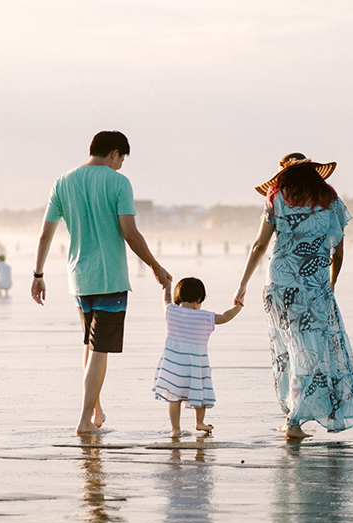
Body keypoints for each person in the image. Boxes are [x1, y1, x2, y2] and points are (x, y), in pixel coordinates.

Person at [31, 130, 171, 434]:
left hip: (78, 279)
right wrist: (155, 266)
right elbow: (130, 233)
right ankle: (84, 421)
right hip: (110, 278)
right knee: (99, 350)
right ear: (115, 153)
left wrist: (38, 274)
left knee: (90, 344)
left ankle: (95, 411)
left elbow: (45, 234)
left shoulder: (62, 182)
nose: (120, 165)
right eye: (121, 159)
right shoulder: (118, 182)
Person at [234, 152, 353, 439]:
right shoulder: (330, 199)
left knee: (287, 350)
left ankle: (293, 416)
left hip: (278, 284)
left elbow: (259, 245)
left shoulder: (276, 197)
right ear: (313, 172)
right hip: (314, 287)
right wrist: (331, 283)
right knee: (313, 350)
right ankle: (299, 419)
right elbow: (339, 250)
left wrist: (242, 284)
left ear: (283, 174)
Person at [152, 277, 241, 435]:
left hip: (175, 366)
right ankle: (199, 423)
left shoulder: (171, 311)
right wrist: (238, 307)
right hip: (196, 365)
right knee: (200, 394)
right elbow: (225, 317)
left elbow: (165, 299)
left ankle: (175, 429)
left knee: (174, 398)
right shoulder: (204, 316)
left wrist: (167, 285)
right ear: (198, 299)